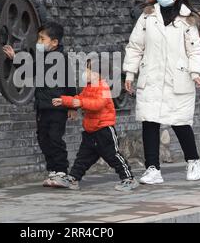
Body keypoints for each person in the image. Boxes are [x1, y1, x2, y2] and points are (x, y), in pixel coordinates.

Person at [123, 0, 200, 184]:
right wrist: (130, 73)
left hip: (178, 78)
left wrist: (196, 72)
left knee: (180, 123)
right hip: (151, 77)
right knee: (149, 122)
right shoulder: (147, 16)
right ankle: (153, 169)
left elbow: (195, 50)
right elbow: (135, 46)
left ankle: (193, 160)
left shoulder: (187, 20)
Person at [3, 21, 77, 187]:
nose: (38, 42)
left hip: (58, 107)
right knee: (43, 138)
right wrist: (15, 58)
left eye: (42, 39)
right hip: (42, 107)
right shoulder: (41, 58)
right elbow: (29, 70)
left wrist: (72, 105)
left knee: (55, 138)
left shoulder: (61, 59)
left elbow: (70, 83)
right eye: (38, 39)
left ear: (54, 42)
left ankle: (62, 171)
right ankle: (53, 170)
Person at [50, 59, 139, 192]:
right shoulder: (88, 87)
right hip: (90, 130)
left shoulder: (103, 87)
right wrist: (64, 100)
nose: (85, 73)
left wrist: (81, 104)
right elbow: (79, 98)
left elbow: (97, 104)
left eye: (88, 70)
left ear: (99, 74)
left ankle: (129, 178)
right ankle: (73, 179)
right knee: (83, 157)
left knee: (113, 156)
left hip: (104, 130)